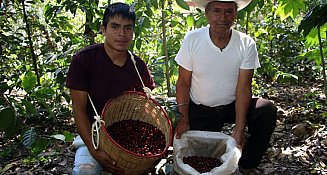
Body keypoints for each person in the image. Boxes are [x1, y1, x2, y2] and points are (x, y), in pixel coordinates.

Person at [174, 0, 277, 174]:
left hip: (231, 106)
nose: (223, 17)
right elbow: (183, 82)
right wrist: (183, 118)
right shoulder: (193, 40)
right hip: (200, 108)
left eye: (229, 11)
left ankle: (246, 163)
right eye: (217, 11)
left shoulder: (246, 43)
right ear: (206, 14)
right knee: (201, 157)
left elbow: (244, 88)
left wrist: (239, 129)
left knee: (266, 110)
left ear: (236, 14)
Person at [65, 2, 155, 175]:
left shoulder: (138, 66)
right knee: (85, 172)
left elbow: (146, 108)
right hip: (94, 134)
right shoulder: (84, 61)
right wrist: (94, 150)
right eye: (115, 27)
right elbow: (79, 110)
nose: (122, 34)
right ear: (103, 29)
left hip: (127, 136)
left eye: (128, 28)